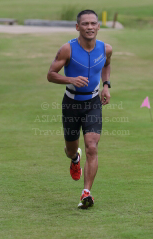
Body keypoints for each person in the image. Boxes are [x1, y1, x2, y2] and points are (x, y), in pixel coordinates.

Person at [47, 9, 112, 209]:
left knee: (92, 146)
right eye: (85, 24)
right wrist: (71, 79)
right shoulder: (67, 49)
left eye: (93, 23)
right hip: (71, 104)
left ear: (98, 26)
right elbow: (50, 74)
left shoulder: (106, 49)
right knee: (70, 149)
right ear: (78, 27)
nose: (90, 27)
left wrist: (107, 85)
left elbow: (106, 65)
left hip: (93, 103)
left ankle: (86, 193)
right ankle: (75, 158)